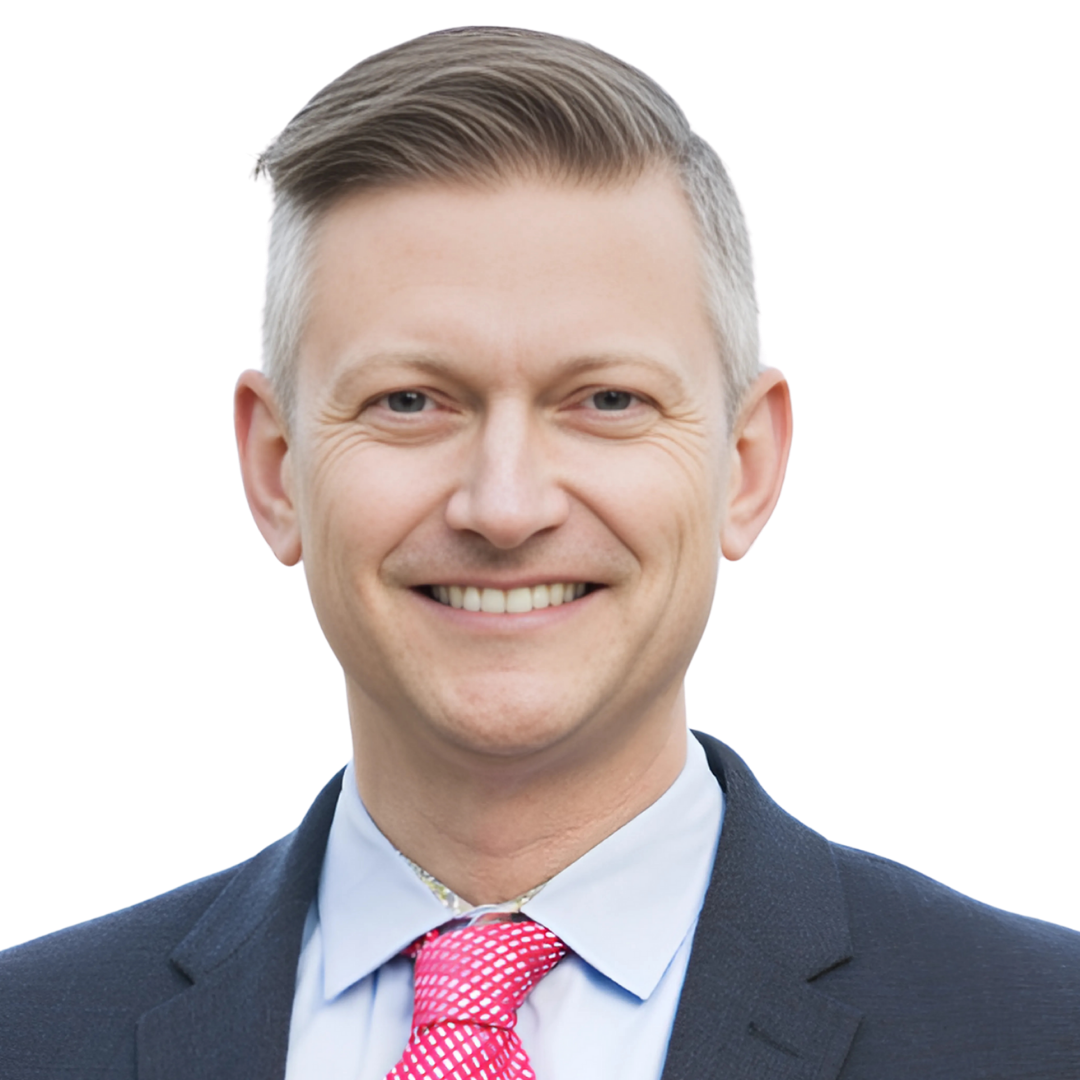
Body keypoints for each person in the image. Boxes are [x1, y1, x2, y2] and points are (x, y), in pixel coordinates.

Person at [2, 26, 1077, 1080]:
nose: (505, 508)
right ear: (276, 470)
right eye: (410, 401)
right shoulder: (25, 1034)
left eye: (606, 400)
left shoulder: (1046, 1032)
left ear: (747, 467)